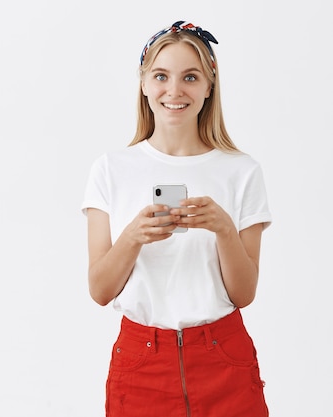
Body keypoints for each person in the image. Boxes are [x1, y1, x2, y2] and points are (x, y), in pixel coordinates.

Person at [81, 21, 271, 416]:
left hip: (224, 359)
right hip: (141, 363)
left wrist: (223, 230)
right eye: (161, 75)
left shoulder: (242, 171)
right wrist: (133, 236)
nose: (174, 90)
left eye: (190, 76)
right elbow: (100, 290)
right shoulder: (111, 169)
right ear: (144, 83)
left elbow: (244, 294)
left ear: (209, 84)